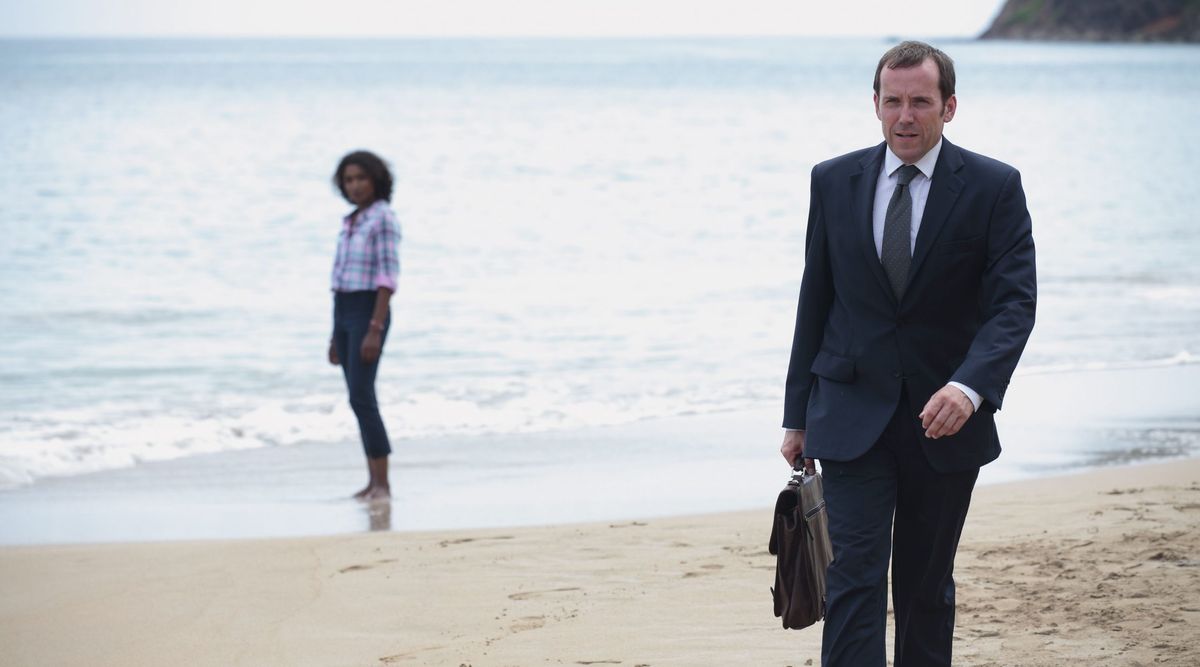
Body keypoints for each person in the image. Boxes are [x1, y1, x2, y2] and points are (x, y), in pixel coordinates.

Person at [780, 41, 1036, 666]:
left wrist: (970, 387)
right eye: (892, 101)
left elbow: (1013, 305)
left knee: (925, 588)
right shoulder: (832, 179)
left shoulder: (993, 187)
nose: (905, 116)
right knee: (852, 581)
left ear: (949, 107)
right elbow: (816, 299)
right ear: (874, 104)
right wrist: (796, 414)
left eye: (920, 102)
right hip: (848, 414)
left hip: (944, 420)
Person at [328, 150, 401, 502]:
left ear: (376, 179)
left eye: (361, 178)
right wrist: (333, 334)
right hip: (343, 309)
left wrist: (375, 326)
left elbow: (387, 276)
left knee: (363, 396)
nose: (355, 185)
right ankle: (371, 481)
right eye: (348, 179)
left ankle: (383, 484)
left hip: (368, 310)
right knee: (356, 399)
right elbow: (339, 280)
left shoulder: (383, 218)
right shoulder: (351, 221)